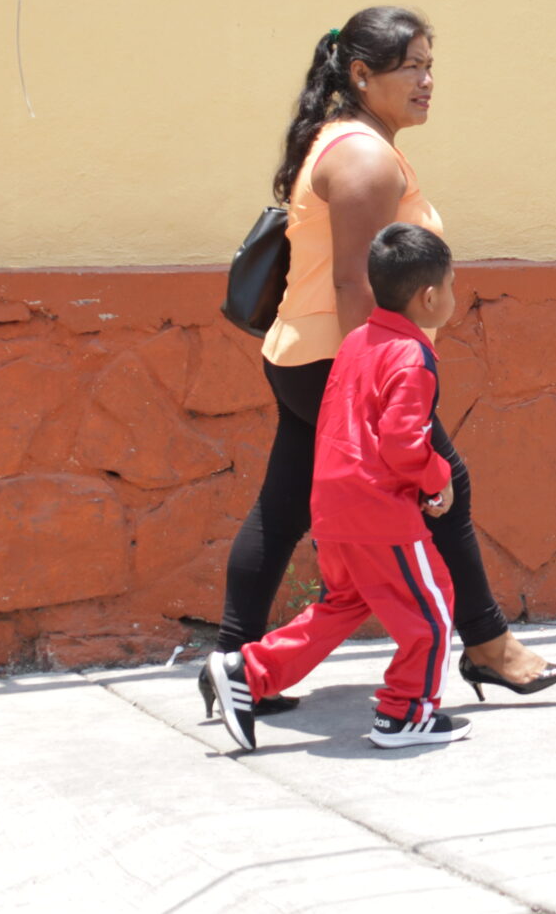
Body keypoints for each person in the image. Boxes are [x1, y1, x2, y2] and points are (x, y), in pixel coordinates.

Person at [204, 6, 556, 721]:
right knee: (442, 482)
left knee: (282, 508)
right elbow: (355, 281)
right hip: (338, 360)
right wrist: (369, 389)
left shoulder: (352, 141)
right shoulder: (366, 157)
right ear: (362, 73)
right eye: (413, 66)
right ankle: (490, 646)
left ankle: (238, 665)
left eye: (432, 64)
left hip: (308, 354)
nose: (429, 80)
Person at [209, 222, 469, 751]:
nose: (453, 297)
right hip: (381, 513)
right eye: (452, 285)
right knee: (432, 611)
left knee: (342, 605)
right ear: (429, 295)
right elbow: (402, 441)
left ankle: (248, 670)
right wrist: (437, 479)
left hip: (333, 507)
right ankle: (405, 714)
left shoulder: (355, 343)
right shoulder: (413, 358)